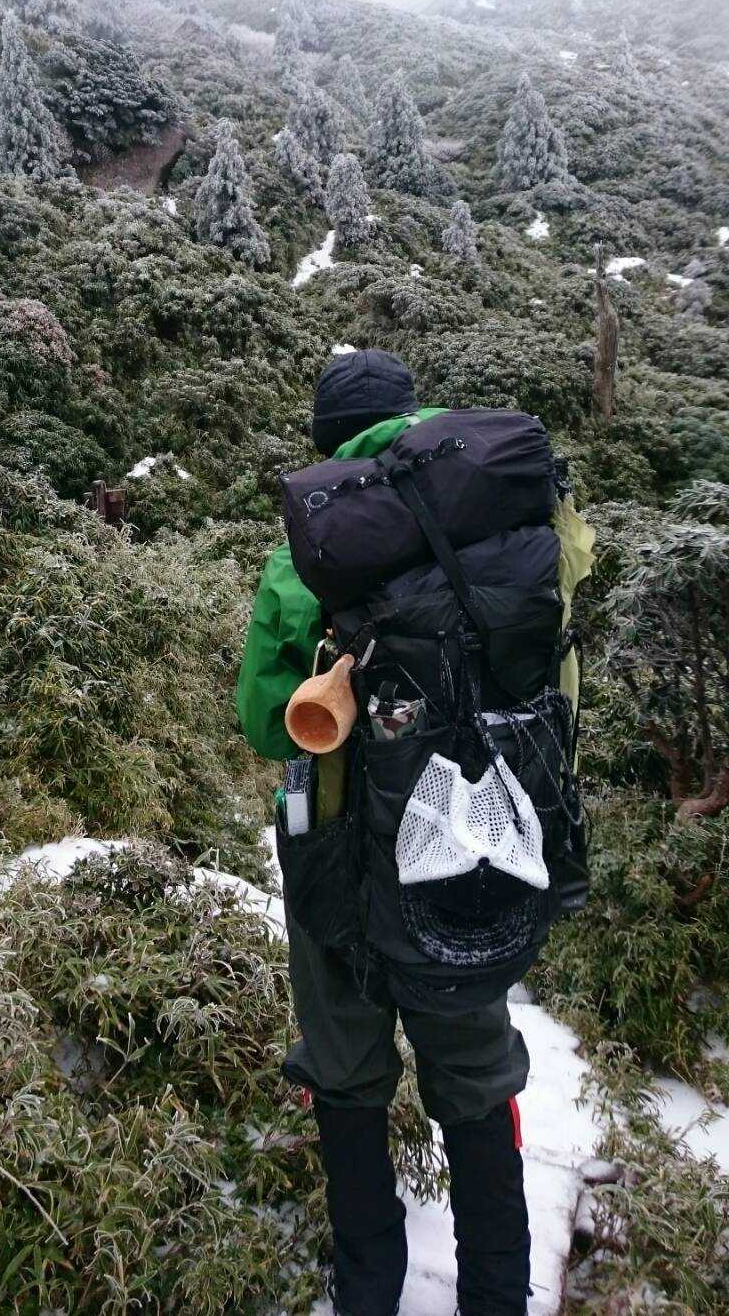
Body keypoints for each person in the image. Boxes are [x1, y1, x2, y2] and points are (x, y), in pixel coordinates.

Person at [237, 349, 593, 1316]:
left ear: (328, 444)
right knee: (476, 1074)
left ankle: (367, 1289)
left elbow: (266, 720)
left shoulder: (313, 547)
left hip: (339, 857)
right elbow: (558, 645)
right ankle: (495, 1294)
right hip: (478, 844)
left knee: (346, 1071)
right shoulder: (516, 514)